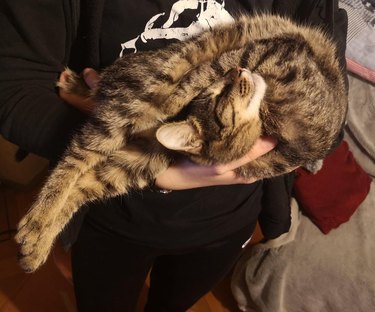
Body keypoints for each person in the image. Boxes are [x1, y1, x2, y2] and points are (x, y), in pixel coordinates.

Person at [0, 1, 347, 311]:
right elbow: (14, 82)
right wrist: (161, 168)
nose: (236, 75)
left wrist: (228, 162)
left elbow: (328, 130)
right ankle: (64, 195)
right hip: (116, 225)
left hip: (225, 225)